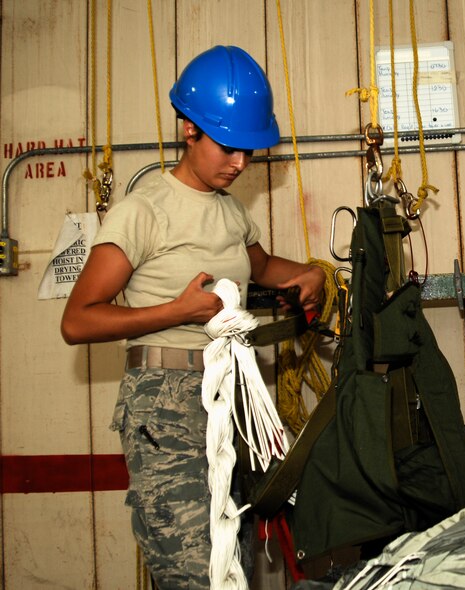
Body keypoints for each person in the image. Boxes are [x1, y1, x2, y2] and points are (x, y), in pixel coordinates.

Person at [61, 45, 326, 589]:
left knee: (230, 560)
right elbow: (78, 321)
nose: (241, 164)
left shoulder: (231, 211)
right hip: (163, 405)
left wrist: (309, 273)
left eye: (250, 152)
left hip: (227, 403)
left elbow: (260, 266)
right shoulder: (145, 209)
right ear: (189, 130)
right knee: (190, 571)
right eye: (230, 148)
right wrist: (175, 311)